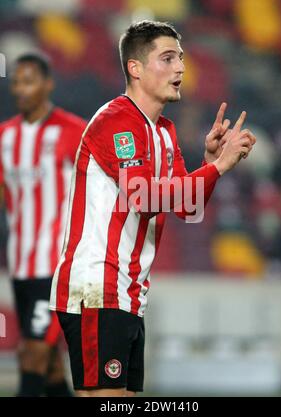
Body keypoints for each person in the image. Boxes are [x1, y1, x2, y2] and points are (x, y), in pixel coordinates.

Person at [49, 20, 256, 397]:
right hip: (98, 287)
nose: (181, 67)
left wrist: (209, 164)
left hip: (129, 292)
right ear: (136, 68)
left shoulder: (163, 131)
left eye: (181, 58)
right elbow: (143, 198)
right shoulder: (117, 121)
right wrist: (218, 167)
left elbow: (187, 206)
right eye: (168, 58)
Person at [0, 53, 86, 396]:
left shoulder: (73, 131)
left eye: (29, 80)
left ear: (48, 84)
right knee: (48, 364)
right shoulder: (4, 137)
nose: (21, 88)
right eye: (17, 81)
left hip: (56, 266)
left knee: (32, 355)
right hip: (20, 265)